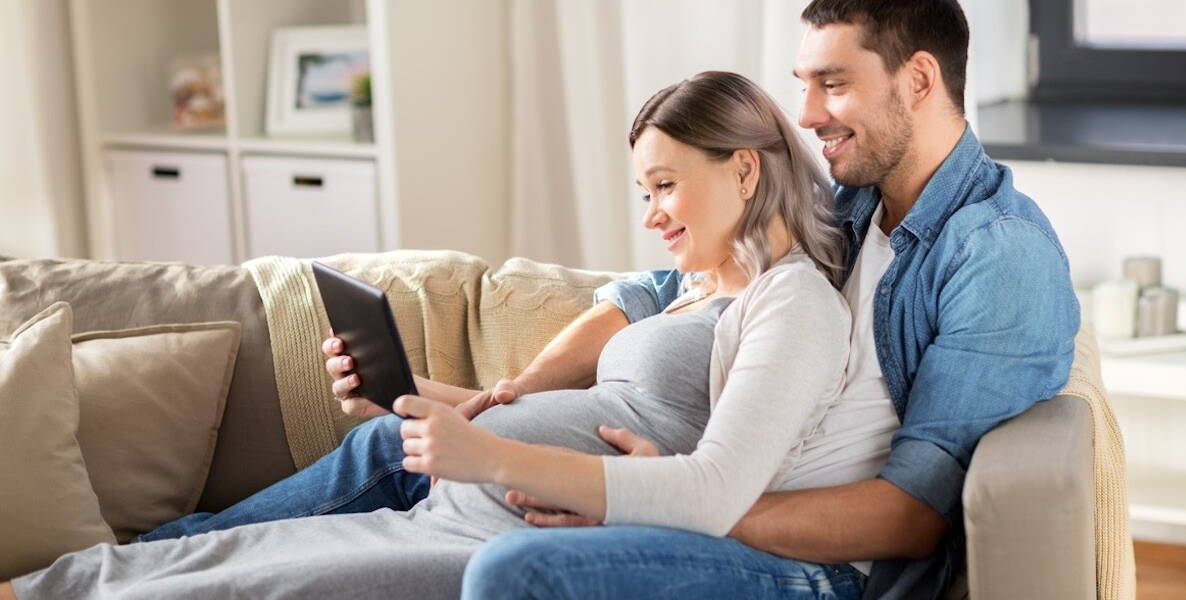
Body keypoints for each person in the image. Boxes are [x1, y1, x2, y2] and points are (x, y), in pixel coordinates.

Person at [2, 71, 872, 600]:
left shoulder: (790, 305)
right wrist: (413, 400)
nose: (649, 215)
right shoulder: (684, 292)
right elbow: (534, 408)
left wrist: (489, 457)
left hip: (492, 538)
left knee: (248, 583)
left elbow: (709, 488)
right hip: (456, 507)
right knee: (225, 554)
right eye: (642, 191)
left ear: (746, 169)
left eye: (665, 186)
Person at [458, 1, 1081, 599]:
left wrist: (679, 507)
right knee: (397, 460)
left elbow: (912, 517)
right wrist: (524, 386)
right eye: (804, 85)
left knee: (519, 571)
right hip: (725, 504)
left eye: (832, 84)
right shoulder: (852, 207)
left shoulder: (997, 255)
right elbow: (665, 290)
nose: (806, 116)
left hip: (820, 567)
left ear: (918, 79)